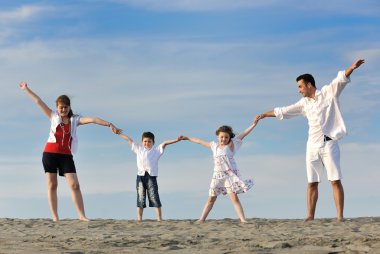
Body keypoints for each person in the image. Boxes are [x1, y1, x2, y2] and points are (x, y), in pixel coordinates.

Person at [256, 59, 365, 222]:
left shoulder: (329, 92)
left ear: (309, 85)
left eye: (300, 86)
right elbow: (284, 111)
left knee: (335, 180)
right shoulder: (303, 104)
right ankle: (310, 216)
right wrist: (265, 114)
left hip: (329, 143)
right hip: (312, 146)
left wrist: (352, 68)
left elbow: (341, 79)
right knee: (312, 182)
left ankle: (340, 216)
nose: (299, 90)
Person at [19, 82, 121, 222]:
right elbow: (38, 101)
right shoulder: (53, 116)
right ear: (57, 107)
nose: (63, 109)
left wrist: (109, 124)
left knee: (74, 184)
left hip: (66, 156)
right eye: (61, 107)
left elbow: (93, 119)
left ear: (69, 107)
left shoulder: (75, 120)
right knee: (52, 184)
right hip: (50, 153)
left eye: (66, 107)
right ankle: (55, 217)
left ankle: (81, 215)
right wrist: (26, 89)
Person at [180, 117, 260, 223]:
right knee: (211, 199)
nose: (223, 139)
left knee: (234, 198)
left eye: (226, 137)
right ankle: (201, 219)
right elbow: (199, 141)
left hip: (229, 177)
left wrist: (254, 124)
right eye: (222, 137)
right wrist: (187, 138)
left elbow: (244, 133)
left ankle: (243, 220)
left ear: (229, 138)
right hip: (217, 177)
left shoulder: (232, 145)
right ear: (218, 136)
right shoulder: (214, 146)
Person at [117, 131, 182, 221]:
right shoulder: (138, 149)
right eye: (145, 141)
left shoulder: (156, 151)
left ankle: (159, 218)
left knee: (154, 196)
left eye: (149, 141)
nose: (147, 143)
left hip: (151, 177)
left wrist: (176, 140)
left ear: (153, 142)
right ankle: (139, 219)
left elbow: (165, 143)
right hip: (140, 177)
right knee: (140, 197)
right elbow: (129, 140)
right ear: (142, 142)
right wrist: (119, 133)